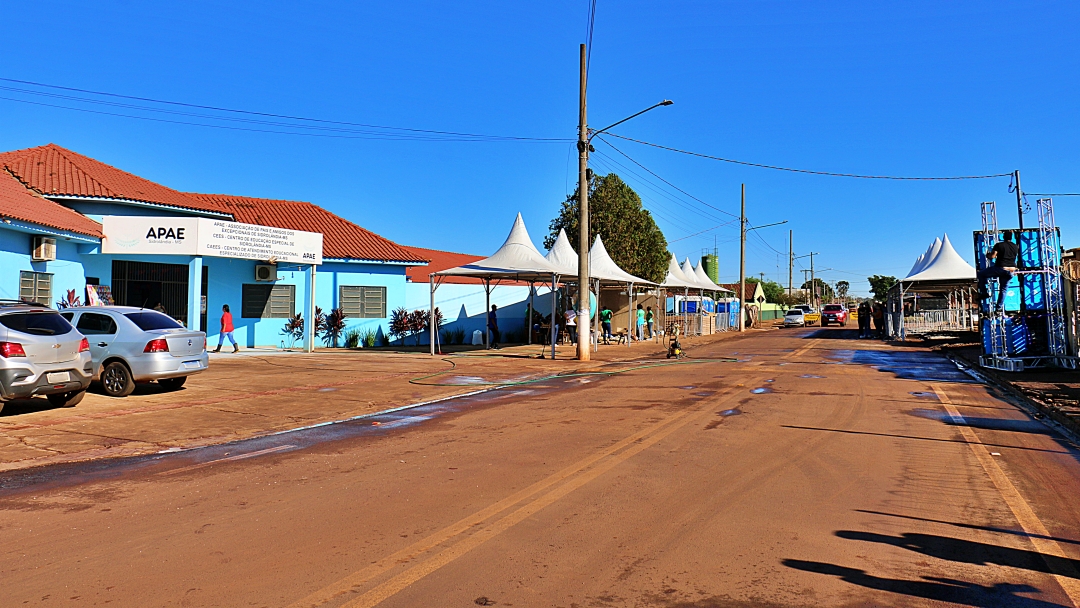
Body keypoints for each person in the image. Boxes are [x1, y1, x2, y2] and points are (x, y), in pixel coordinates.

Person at [978, 230, 1020, 310]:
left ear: (1003, 237)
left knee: (981, 274)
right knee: (1003, 290)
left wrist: (987, 255)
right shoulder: (1015, 246)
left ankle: (984, 293)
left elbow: (992, 256)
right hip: (1011, 270)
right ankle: (998, 308)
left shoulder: (999, 245)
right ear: (1011, 238)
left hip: (1001, 268)